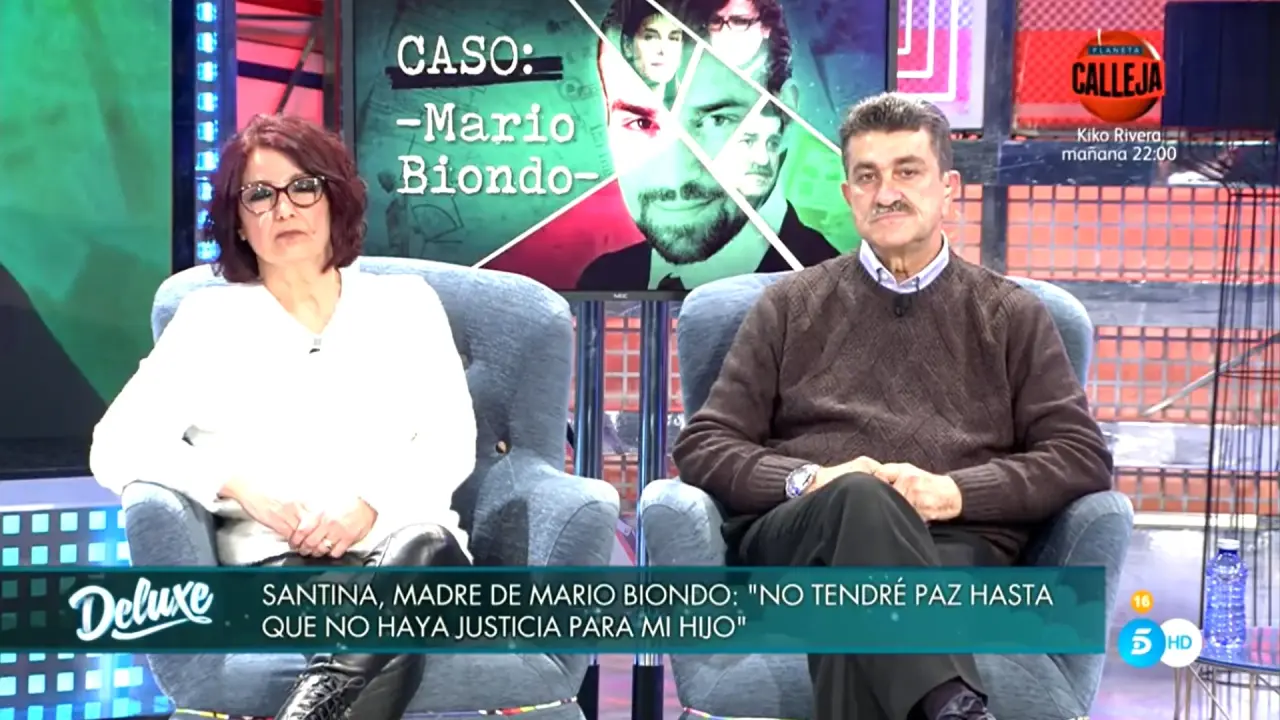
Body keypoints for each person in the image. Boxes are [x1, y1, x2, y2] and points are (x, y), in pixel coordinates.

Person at [672, 93, 1114, 720]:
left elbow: (1079, 457)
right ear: (848, 195)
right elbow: (705, 445)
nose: (887, 193)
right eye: (868, 176)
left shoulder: (1011, 315)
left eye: (907, 171)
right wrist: (812, 480)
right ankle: (951, 702)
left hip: (950, 543)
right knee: (858, 500)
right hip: (804, 534)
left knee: (849, 597)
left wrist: (953, 492)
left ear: (948, 188)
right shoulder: (788, 306)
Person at [89, 114, 477, 720]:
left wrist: (368, 507)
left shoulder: (406, 305)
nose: (283, 209)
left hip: (409, 551)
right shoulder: (208, 323)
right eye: (259, 195)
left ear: (334, 200)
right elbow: (115, 444)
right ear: (239, 222)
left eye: (303, 187)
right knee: (383, 631)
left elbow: (451, 441)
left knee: (423, 548)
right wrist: (242, 490)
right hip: (283, 565)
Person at [576, 0, 835, 291]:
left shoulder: (835, 297)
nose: (673, 174)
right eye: (640, 123)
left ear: (784, 116)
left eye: (717, 120)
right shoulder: (600, 281)